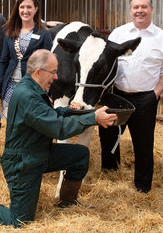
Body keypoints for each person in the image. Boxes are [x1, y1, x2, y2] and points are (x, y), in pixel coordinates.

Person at [0, 49, 117, 228]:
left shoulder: (32, 87)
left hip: (38, 153)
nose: (56, 77)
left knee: (80, 155)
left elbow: (48, 115)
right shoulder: (28, 95)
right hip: (22, 163)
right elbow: (58, 128)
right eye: (53, 72)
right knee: (20, 222)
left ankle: (68, 201)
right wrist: (92, 118)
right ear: (38, 72)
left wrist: (71, 111)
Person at [99, 0, 163, 193]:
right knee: (108, 135)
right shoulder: (118, 34)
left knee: (143, 143)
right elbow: (105, 65)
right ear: (130, 11)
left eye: (144, 7)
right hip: (117, 95)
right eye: (136, 7)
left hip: (146, 98)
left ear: (151, 10)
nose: (140, 11)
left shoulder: (162, 38)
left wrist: (155, 93)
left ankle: (142, 186)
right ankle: (110, 175)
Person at [0, 0, 52, 118]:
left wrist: (46, 91)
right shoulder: (9, 31)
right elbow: (4, 60)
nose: (25, 11)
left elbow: (48, 66)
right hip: (10, 86)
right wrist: (1, 83)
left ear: (36, 9)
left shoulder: (44, 34)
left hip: (32, 87)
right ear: (18, 9)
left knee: (27, 121)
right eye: (22, 7)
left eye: (29, 7)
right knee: (9, 120)